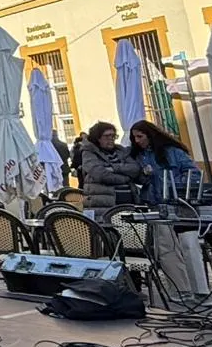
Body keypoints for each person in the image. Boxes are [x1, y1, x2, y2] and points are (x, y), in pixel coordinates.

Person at [127, 120, 205, 298]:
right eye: (134, 137)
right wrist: (144, 177)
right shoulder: (139, 156)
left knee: (189, 245)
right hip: (157, 205)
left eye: (140, 136)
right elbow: (139, 180)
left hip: (182, 205)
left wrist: (174, 185)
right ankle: (180, 290)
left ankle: (200, 289)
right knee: (166, 248)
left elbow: (193, 173)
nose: (137, 141)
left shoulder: (174, 151)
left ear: (150, 134)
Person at [79, 121, 143, 213]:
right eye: (107, 136)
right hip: (103, 205)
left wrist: (113, 168)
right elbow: (101, 175)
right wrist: (127, 178)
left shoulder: (121, 151)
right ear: (97, 138)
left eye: (113, 136)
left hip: (129, 203)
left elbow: (135, 169)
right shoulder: (89, 152)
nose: (111, 139)